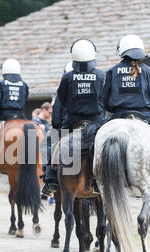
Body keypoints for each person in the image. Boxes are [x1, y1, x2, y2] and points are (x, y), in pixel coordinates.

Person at [102, 34, 150, 191]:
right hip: (144, 116)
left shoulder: (112, 72)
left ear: (121, 51)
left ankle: (97, 180)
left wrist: (113, 110)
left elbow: (104, 100)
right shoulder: (148, 72)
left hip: (118, 116)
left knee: (97, 141)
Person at [42, 39, 107, 196]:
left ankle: (50, 181)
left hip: (72, 121)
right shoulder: (101, 75)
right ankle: (102, 181)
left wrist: (59, 122)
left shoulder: (68, 77)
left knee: (54, 142)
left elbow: (61, 101)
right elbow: (105, 99)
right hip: (96, 123)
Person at [0, 58, 29, 128]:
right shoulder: (24, 85)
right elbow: (25, 99)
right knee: (32, 131)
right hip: (21, 115)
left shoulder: (0, 84)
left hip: (3, 116)